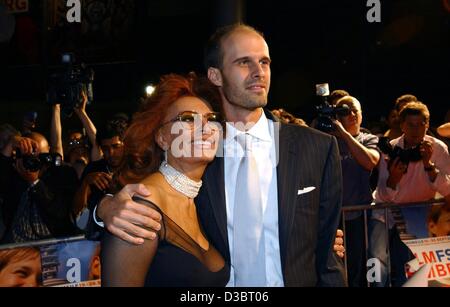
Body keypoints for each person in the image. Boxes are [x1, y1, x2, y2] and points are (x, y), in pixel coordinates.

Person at [97, 24, 345, 286]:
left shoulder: (317, 148)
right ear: (215, 75)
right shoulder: (198, 153)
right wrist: (102, 209)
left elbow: (328, 257)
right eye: (243, 62)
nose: (258, 72)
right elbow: (144, 196)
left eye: (264, 62)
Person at [101, 73, 229, 286]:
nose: (205, 128)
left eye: (211, 120)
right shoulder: (139, 209)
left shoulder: (202, 199)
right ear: (162, 138)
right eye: (188, 119)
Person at [371, 101, 450, 286]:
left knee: (411, 266)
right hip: (384, 211)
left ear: (427, 125)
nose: (415, 130)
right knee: (377, 259)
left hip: (417, 215)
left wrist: (428, 165)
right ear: (402, 125)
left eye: (420, 124)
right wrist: (394, 178)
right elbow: (383, 192)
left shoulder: (438, 149)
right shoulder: (390, 149)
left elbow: (447, 191)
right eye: (410, 125)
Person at [331, 96, 380, 287]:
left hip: (359, 217)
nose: (351, 115)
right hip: (333, 217)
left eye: (355, 111)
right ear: (337, 115)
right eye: (345, 111)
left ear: (361, 115)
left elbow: (369, 162)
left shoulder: (368, 138)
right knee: (334, 267)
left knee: (357, 268)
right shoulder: (327, 140)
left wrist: (344, 133)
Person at [0, 132, 79, 244]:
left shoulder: (63, 173)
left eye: (41, 156)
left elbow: (60, 212)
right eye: (31, 156)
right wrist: (11, 143)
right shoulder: (17, 172)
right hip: (16, 246)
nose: (36, 161)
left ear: (49, 152)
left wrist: (35, 182)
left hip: (52, 244)